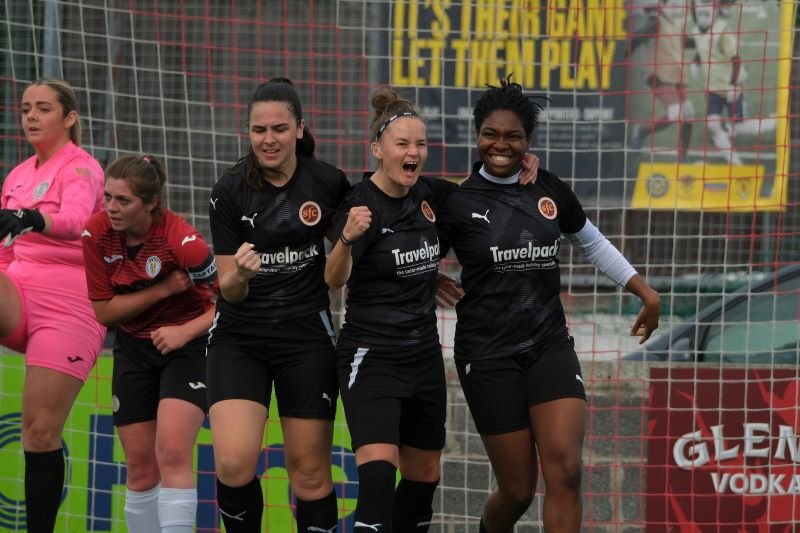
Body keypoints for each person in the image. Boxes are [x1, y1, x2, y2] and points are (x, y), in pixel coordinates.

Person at [436, 77, 662, 533]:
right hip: (488, 354)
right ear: (476, 136)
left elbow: (592, 243)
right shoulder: (455, 202)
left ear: (528, 141)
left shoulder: (549, 189)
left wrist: (644, 290)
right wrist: (424, 280)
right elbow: (412, 253)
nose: (501, 144)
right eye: (491, 134)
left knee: (567, 472)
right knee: (518, 491)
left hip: (549, 346)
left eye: (513, 136)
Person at [205, 77, 350, 533]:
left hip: (306, 336)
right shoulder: (229, 190)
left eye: (280, 129)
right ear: (248, 132)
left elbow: (357, 243)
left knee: (309, 475)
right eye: (258, 130)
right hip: (240, 336)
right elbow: (229, 289)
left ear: (300, 129)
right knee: (232, 464)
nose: (269, 140)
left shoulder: (327, 182)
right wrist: (242, 275)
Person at [324, 88, 458, 533]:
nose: (413, 152)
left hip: (423, 357)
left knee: (422, 481)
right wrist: (345, 238)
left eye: (420, 144)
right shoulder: (360, 206)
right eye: (402, 144)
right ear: (378, 150)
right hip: (372, 356)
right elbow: (334, 279)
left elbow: (480, 196)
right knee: (379, 479)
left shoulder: (431, 195)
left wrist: (523, 168)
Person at [82, 154, 217, 533]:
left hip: (188, 346)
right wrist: (162, 290)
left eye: (123, 200)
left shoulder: (184, 241)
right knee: (140, 470)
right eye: (107, 197)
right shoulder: (95, 233)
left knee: (172, 452)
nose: (111, 207)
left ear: (151, 202)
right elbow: (105, 313)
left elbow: (231, 306)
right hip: (133, 349)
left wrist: (184, 331)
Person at [0, 78, 106, 533]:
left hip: (70, 305)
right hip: (18, 293)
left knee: (40, 432)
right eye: (25, 108)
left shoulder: (81, 168)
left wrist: (34, 217)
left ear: (69, 118)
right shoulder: (17, 174)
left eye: (43, 108)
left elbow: (80, 221)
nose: (31, 117)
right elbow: (5, 248)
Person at [687, 0, 775, 165]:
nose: (703, 17)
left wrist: (733, 86)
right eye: (700, 14)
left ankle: (773, 122)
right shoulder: (696, 31)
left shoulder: (723, 32)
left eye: (707, 13)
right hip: (712, 89)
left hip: (730, 88)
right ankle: (734, 162)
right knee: (712, 125)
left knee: (740, 128)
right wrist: (696, 62)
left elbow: (736, 61)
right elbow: (704, 47)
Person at [628, 0, 695, 162]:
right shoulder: (656, 20)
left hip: (676, 76)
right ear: (663, 6)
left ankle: (682, 155)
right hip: (658, 75)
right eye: (672, 6)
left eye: (677, 5)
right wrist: (629, 47)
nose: (676, 8)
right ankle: (642, 130)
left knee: (689, 115)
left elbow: (688, 42)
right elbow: (641, 34)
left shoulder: (677, 25)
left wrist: (705, 37)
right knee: (675, 114)